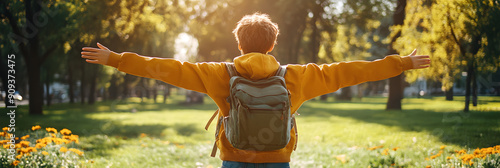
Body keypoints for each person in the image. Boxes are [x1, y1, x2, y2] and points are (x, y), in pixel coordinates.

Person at [81, 13, 430, 168]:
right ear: (273, 43)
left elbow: (167, 68)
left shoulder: (219, 74)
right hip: (278, 159)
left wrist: (116, 59)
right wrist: (398, 63)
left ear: (239, 41)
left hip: (235, 159)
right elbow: (348, 72)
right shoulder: (297, 76)